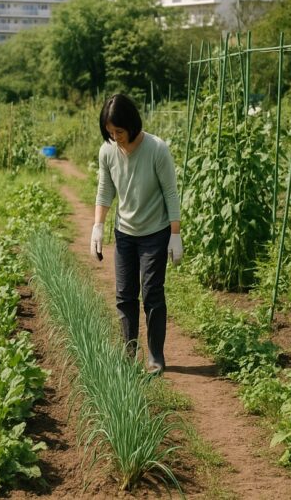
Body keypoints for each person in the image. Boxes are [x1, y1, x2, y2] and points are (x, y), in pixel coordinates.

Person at [91, 94, 182, 374]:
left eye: (119, 131)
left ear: (132, 124)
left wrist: (175, 234)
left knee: (152, 293)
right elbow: (105, 190)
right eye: (110, 132)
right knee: (124, 295)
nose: (115, 137)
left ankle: (155, 356)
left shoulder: (156, 149)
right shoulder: (107, 151)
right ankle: (129, 355)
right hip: (125, 233)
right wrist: (98, 226)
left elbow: (170, 192)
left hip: (155, 232)